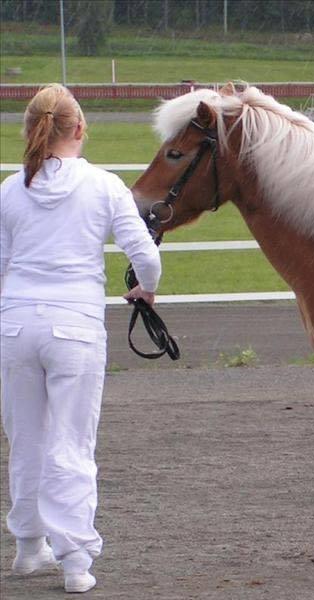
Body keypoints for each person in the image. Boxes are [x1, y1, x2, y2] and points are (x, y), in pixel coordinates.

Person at [0, 84, 161, 593]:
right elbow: (147, 256)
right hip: (75, 327)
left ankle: (29, 548)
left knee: (26, 441)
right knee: (72, 444)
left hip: (16, 324)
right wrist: (145, 290)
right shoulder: (105, 186)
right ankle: (75, 560)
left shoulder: (9, 189)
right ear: (80, 129)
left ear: (30, 131)